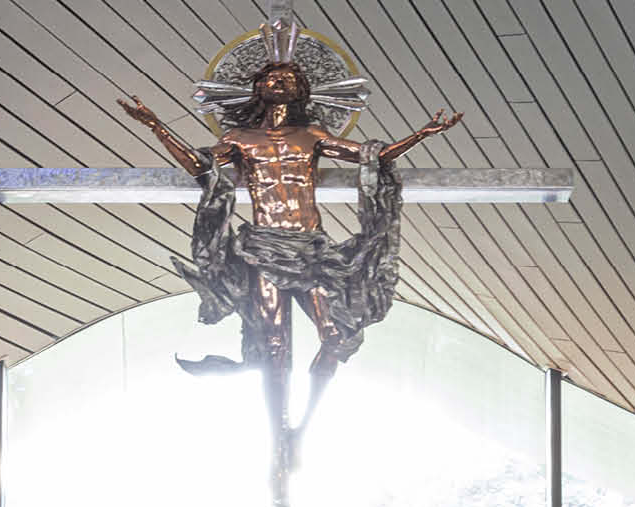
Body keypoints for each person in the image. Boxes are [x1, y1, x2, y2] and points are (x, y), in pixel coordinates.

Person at [118, 24, 460, 479]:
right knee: (274, 345)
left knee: (338, 336)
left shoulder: (312, 136)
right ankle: (279, 436)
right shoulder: (241, 140)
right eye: (273, 76)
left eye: (291, 77)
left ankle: (302, 427)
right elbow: (200, 165)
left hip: (311, 249)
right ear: (258, 88)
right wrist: (157, 125)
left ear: (302, 90)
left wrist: (424, 133)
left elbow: (371, 158)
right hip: (264, 249)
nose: (282, 81)